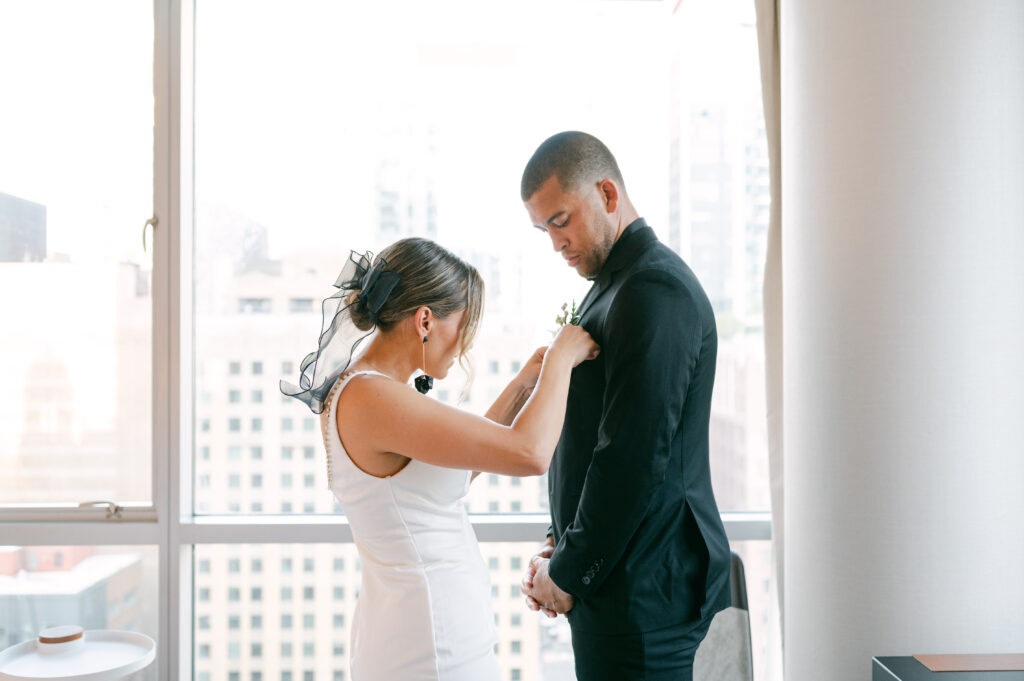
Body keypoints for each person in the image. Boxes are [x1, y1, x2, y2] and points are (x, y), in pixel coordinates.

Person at [281, 237, 598, 681]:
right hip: (428, 644)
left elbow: (455, 469)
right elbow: (530, 453)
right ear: (425, 320)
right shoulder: (371, 396)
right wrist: (562, 359)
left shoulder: (369, 390)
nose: (463, 346)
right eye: (462, 327)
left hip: (428, 630)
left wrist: (528, 382)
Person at [518, 131, 731, 681]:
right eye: (544, 230)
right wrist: (556, 545)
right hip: (614, 582)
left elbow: (630, 458)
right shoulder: (612, 286)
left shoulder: (654, 289)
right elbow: (588, 437)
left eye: (561, 220)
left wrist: (565, 574)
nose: (556, 244)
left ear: (608, 194)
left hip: (645, 592)